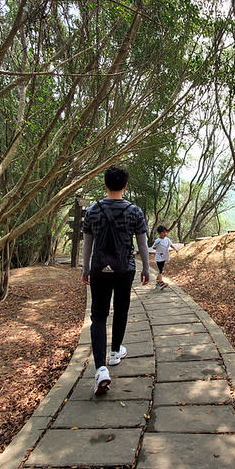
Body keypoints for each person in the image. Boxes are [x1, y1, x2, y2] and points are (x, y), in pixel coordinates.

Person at [82, 165, 150, 395]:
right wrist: (147, 269)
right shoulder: (135, 211)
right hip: (125, 268)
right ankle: (115, 352)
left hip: (99, 269)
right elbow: (141, 244)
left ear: (105, 184)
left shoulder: (92, 210)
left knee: (99, 316)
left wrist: (86, 269)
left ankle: (101, 368)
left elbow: (87, 244)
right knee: (121, 310)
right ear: (125, 185)